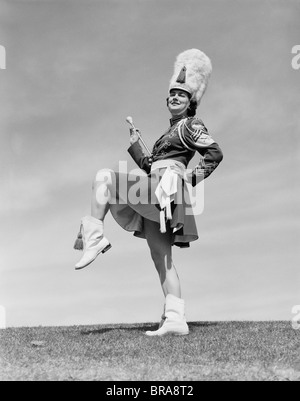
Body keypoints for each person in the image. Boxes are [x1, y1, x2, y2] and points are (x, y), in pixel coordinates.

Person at [74, 49, 223, 336]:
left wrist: (188, 179)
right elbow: (150, 166)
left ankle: (93, 238)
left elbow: (214, 154)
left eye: (181, 95)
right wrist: (135, 145)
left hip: (167, 192)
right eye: (171, 95)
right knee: (161, 257)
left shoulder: (192, 125)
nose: (175, 98)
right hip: (158, 191)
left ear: (191, 101)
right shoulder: (166, 135)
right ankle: (176, 320)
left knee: (104, 178)